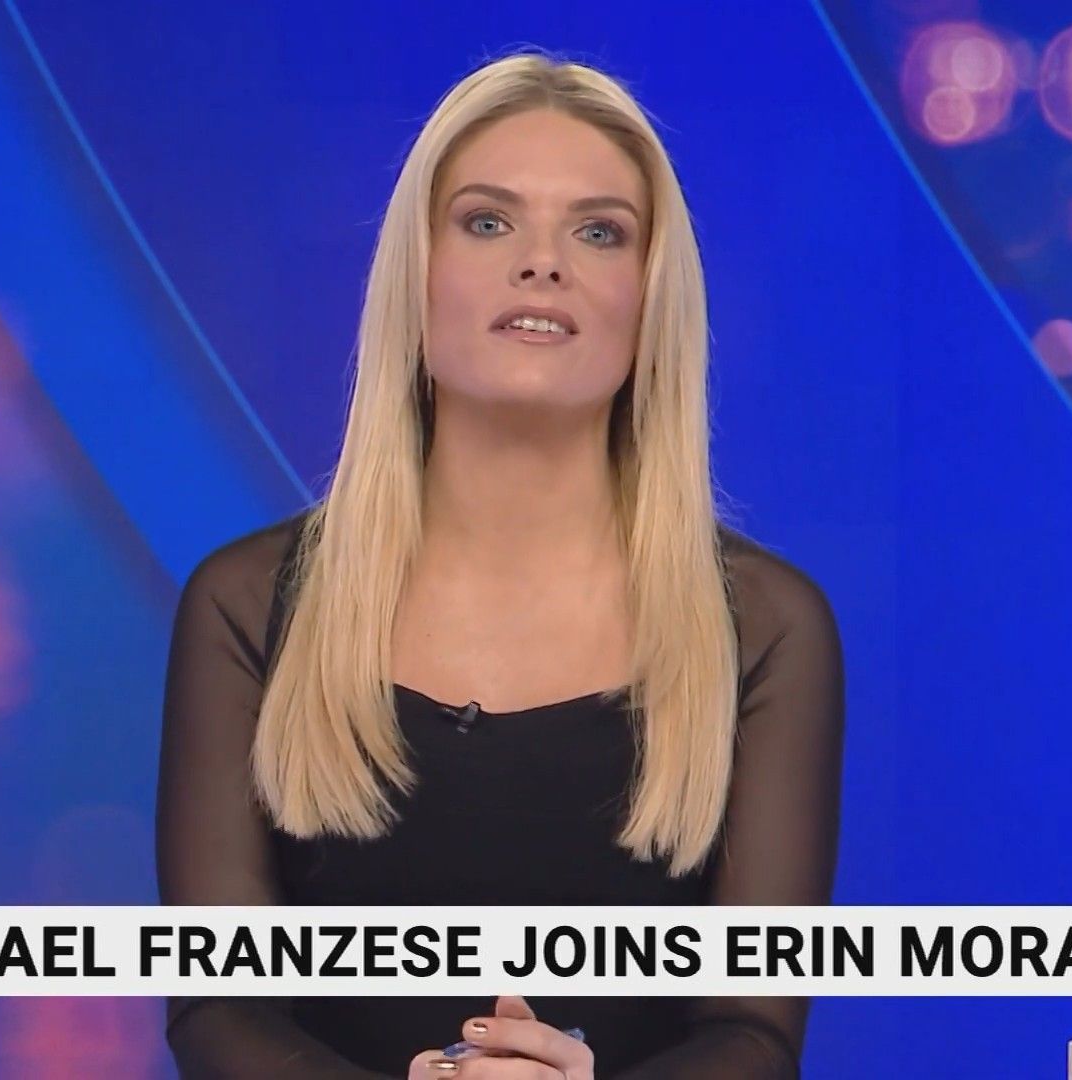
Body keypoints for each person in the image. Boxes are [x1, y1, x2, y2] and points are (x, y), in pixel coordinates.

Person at [156, 47, 845, 1078]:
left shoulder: (767, 627)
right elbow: (218, 1010)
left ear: (650, 298)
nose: (542, 262)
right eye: (488, 221)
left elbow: (754, 1033)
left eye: (599, 231)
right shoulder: (247, 605)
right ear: (417, 274)